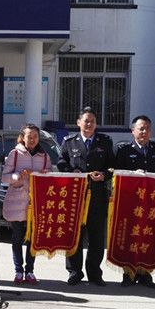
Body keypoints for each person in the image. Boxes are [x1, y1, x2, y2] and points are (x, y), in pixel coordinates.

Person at [57, 106, 113, 287]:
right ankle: (74, 272)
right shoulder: (69, 142)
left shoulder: (105, 141)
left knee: (97, 237)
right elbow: (61, 162)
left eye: (92, 121)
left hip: (97, 196)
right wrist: (71, 171)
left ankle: (94, 273)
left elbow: (112, 166)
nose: (89, 124)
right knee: (75, 235)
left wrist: (104, 175)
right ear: (78, 122)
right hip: (76, 197)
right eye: (86, 121)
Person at [114, 115, 155, 288]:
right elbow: (117, 174)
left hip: (152, 202)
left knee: (148, 235)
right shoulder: (124, 150)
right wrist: (133, 175)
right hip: (131, 202)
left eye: (147, 128)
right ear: (133, 131)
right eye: (141, 128)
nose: (144, 131)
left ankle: (146, 273)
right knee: (130, 235)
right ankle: (128, 273)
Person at [0, 123, 51, 284]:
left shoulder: (44, 156)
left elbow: (51, 177)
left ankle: (30, 270)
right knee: (17, 238)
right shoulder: (15, 154)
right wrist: (18, 175)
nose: (32, 139)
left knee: (33, 239)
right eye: (29, 136)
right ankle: (18, 270)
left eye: (35, 136)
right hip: (17, 201)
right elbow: (4, 177)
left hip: (36, 203)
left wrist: (45, 174)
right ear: (23, 138)